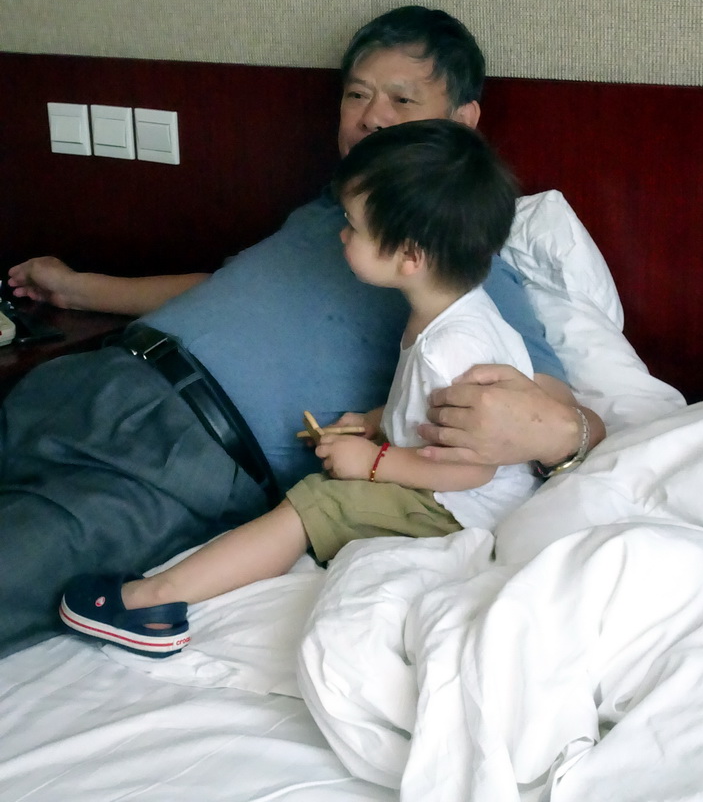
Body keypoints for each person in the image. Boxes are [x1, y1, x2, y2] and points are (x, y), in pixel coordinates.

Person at [2, 6, 604, 659]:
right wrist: (81, 288)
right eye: (357, 94)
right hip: (90, 378)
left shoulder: (465, 271)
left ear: (462, 123)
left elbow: (559, 414)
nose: (372, 116)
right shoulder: (330, 213)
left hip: (183, 458)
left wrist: (556, 434)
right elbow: (221, 289)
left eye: (403, 99)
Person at [59, 120, 542, 657]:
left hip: (457, 508)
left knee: (310, 504)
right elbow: (428, 407)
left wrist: (373, 464)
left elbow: (474, 466)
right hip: (447, 482)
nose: (341, 234)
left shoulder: (450, 347)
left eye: (354, 227)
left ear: (409, 256)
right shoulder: (453, 311)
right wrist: (375, 421)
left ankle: (152, 603)